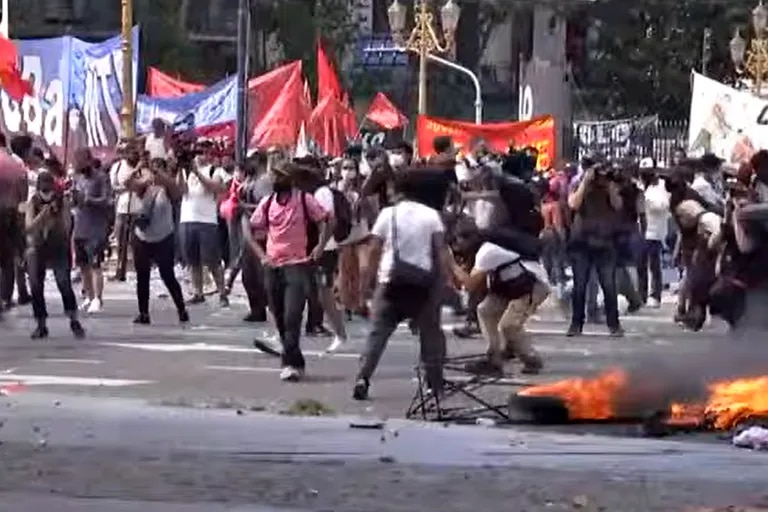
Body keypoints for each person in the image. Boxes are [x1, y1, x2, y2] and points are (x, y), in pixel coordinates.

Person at [352, 171, 452, 401]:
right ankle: (434, 385)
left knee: (377, 335)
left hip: (391, 282)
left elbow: (374, 251)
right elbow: (441, 252)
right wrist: (445, 283)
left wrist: (365, 288)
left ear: (398, 190)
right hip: (422, 285)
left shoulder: (388, 214)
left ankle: (363, 378)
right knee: (430, 335)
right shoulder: (431, 216)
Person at [246, 162, 331, 382]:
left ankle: (290, 364)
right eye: (273, 177)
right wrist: (261, 255)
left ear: (290, 180)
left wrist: (320, 247)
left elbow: (325, 222)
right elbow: (249, 226)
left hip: (297, 264)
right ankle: (296, 358)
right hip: (273, 266)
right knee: (279, 316)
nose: (274, 181)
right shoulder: (267, 203)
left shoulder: (304, 200)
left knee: (293, 315)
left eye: (278, 177)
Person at [452, 218, 548, 375]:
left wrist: (451, 265)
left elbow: (469, 284)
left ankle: (531, 359)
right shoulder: (482, 250)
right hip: (510, 285)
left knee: (509, 325)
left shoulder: (487, 252)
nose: (457, 246)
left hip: (532, 285)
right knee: (485, 310)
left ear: (468, 239)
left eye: (458, 241)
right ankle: (494, 357)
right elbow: (467, 286)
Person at [126, 158, 189, 325]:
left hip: (163, 236)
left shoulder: (167, 189)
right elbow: (127, 183)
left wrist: (161, 175)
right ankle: (143, 313)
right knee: (142, 276)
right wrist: (138, 169)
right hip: (143, 237)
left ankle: (182, 309)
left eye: (158, 169)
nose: (154, 173)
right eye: (152, 168)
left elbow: (177, 191)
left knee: (167, 275)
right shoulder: (144, 187)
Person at [566, 161, 625, 337]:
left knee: (608, 285)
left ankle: (613, 324)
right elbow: (574, 204)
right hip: (581, 242)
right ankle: (576, 324)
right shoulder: (578, 182)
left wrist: (608, 186)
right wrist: (585, 182)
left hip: (605, 241)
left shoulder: (610, 185)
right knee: (580, 285)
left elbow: (618, 205)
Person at [25, 171, 85, 339]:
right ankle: (41, 323)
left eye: (48, 188)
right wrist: (44, 214)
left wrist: (56, 217)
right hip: (37, 246)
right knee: (36, 285)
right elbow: (29, 227)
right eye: (43, 189)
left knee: (63, 282)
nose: (46, 193)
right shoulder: (33, 202)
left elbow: (66, 229)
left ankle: (73, 318)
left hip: (58, 245)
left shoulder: (62, 202)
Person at [178, 140, 229, 306]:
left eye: (203, 152)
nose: (200, 156)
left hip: (207, 221)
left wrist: (197, 173)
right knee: (193, 260)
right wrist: (181, 170)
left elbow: (215, 188)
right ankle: (198, 292)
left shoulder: (216, 170)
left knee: (213, 260)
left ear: (209, 153)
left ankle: (222, 293)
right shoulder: (188, 171)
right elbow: (181, 191)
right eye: (198, 152)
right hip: (187, 219)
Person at [71, 148, 112, 314]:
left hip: (96, 227)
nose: (79, 165)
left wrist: (90, 200)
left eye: (81, 161)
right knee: (83, 265)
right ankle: (89, 295)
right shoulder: (77, 178)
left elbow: (107, 199)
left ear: (88, 160)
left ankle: (98, 298)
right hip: (80, 225)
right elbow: (74, 201)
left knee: (95, 264)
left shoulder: (101, 177)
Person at [110, 142, 143, 282]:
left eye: (133, 152)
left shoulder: (141, 167)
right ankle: (120, 270)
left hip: (139, 208)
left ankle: (140, 270)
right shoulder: (117, 167)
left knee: (138, 242)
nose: (131, 155)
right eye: (128, 152)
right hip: (123, 208)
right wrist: (128, 188)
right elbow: (114, 187)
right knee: (121, 241)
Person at [639, 159, 669, 308]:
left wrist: (646, 201)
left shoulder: (661, 187)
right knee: (641, 264)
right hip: (640, 231)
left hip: (654, 231)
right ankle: (641, 295)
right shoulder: (641, 186)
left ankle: (655, 295)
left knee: (654, 264)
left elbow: (663, 205)